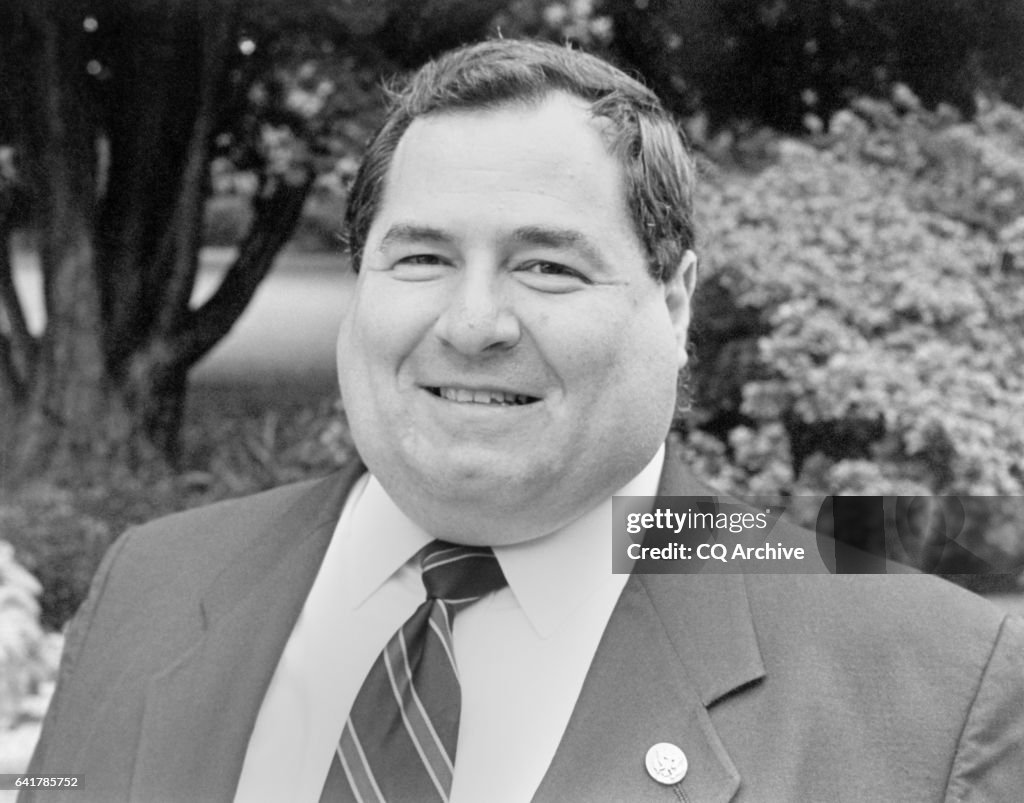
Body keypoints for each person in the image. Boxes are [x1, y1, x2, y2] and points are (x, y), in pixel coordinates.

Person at [24, 39, 1023, 803]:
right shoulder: (150, 580)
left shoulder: (931, 689)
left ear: (673, 304)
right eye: (419, 257)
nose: (472, 323)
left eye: (547, 264)